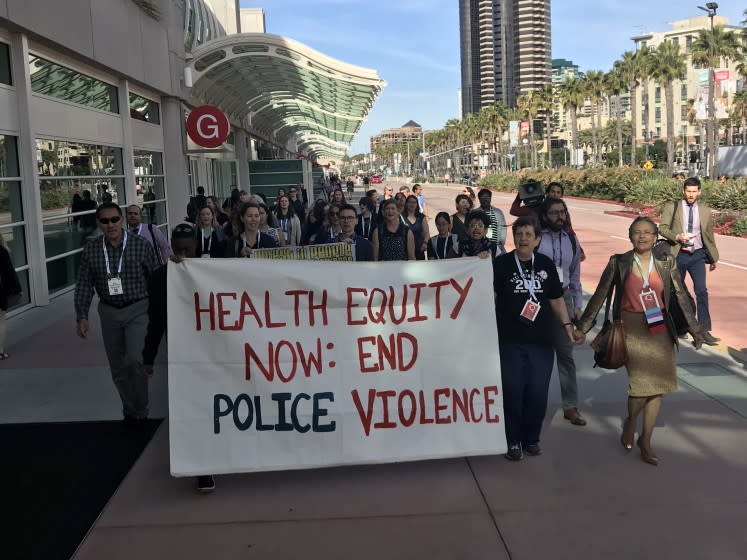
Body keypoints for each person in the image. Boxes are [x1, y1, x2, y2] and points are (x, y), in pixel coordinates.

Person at [576, 217, 704, 466]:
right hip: (629, 328)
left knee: (659, 386)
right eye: (637, 232)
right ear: (630, 235)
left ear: (656, 236)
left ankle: (646, 439)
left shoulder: (667, 262)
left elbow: (681, 296)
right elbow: (600, 296)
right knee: (639, 385)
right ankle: (631, 420)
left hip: (659, 328)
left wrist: (696, 329)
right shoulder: (619, 262)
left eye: (647, 232)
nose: (642, 236)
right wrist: (583, 327)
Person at [494, 216, 586, 461]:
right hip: (510, 340)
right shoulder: (500, 264)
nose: (523, 239)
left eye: (528, 235)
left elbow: (556, 300)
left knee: (537, 393)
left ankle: (531, 439)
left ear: (537, 240)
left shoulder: (545, 264)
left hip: (541, 342)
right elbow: (489, 298)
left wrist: (568, 327)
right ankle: (512, 440)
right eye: (519, 234)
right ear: (514, 238)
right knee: (512, 391)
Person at [142, 222, 216, 493]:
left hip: (217, 353)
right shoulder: (161, 277)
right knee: (191, 410)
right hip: (182, 356)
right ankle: (201, 467)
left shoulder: (214, 273)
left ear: (196, 246)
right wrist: (148, 355)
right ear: (171, 246)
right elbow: (156, 320)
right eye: (178, 247)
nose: (183, 253)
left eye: (188, 247)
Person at [74, 202, 159, 423]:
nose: (110, 224)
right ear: (99, 223)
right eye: (105, 221)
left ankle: (141, 410)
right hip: (109, 312)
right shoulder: (91, 249)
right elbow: (84, 284)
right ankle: (130, 409)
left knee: (135, 360)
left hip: (138, 309)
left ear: (122, 220)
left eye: (114, 219)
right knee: (118, 367)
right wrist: (82, 315)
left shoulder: (141, 245)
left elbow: (155, 279)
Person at [537, 198, 586, 426]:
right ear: (545, 216)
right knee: (539, 355)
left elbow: (575, 273)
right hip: (539, 300)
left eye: (562, 212)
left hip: (564, 297)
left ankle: (571, 406)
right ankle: (536, 405)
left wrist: (577, 302)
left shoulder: (572, 240)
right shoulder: (538, 238)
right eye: (554, 212)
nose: (559, 216)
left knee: (565, 354)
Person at [658, 176, 720, 346]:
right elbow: (662, 228)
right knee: (677, 292)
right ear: (684, 191)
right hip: (679, 254)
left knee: (701, 291)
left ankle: (704, 330)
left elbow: (708, 235)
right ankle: (679, 326)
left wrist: (713, 257)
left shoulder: (705, 210)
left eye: (694, 191)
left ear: (699, 191)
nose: (691, 195)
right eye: (688, 191)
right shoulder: (673, 207)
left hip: (698, 255)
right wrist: (677, 236)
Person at [0, 232, 22, 360]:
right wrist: (16, 289)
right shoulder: (2, 251)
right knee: (0, 321)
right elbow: (9, 273)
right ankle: (0, 351)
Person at [477, 188, 506, 253]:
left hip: (496, 247)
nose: (485, 199)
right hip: (480, 247)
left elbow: (502, 228)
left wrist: (501, 244)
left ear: (490, 198)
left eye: (487, 197)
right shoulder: (475, 212)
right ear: (479, 199)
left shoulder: (498, 212)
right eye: (483, 197)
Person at [402, 194, 429, 260]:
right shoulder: (401, 217)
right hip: (405, 250)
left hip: (419, 249)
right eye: (410, 202)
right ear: (406, 203)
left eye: (414, 202)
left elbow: (427, 233)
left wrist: (425, 243)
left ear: (417, 204)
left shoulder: (421, 217)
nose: (412, 204)